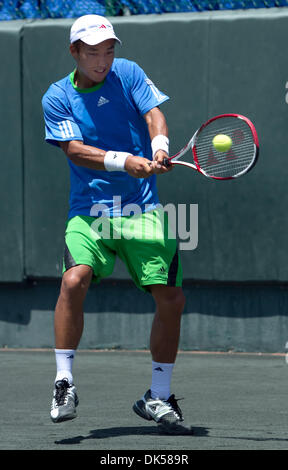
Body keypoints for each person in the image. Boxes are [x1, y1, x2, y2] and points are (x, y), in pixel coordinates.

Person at [42, 14, 192, 435]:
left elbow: (153, 115)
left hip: (142, 210)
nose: (103, 60)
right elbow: (74, 150)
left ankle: (158, 396)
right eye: (92, 52)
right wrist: (125, 161)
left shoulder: (127, 74)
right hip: (89, 210)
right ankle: (64, 383)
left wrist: (159, 146)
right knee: (74, 281)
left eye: (108, 50)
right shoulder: (56, 96)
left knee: (172, 299)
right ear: (74, 52)